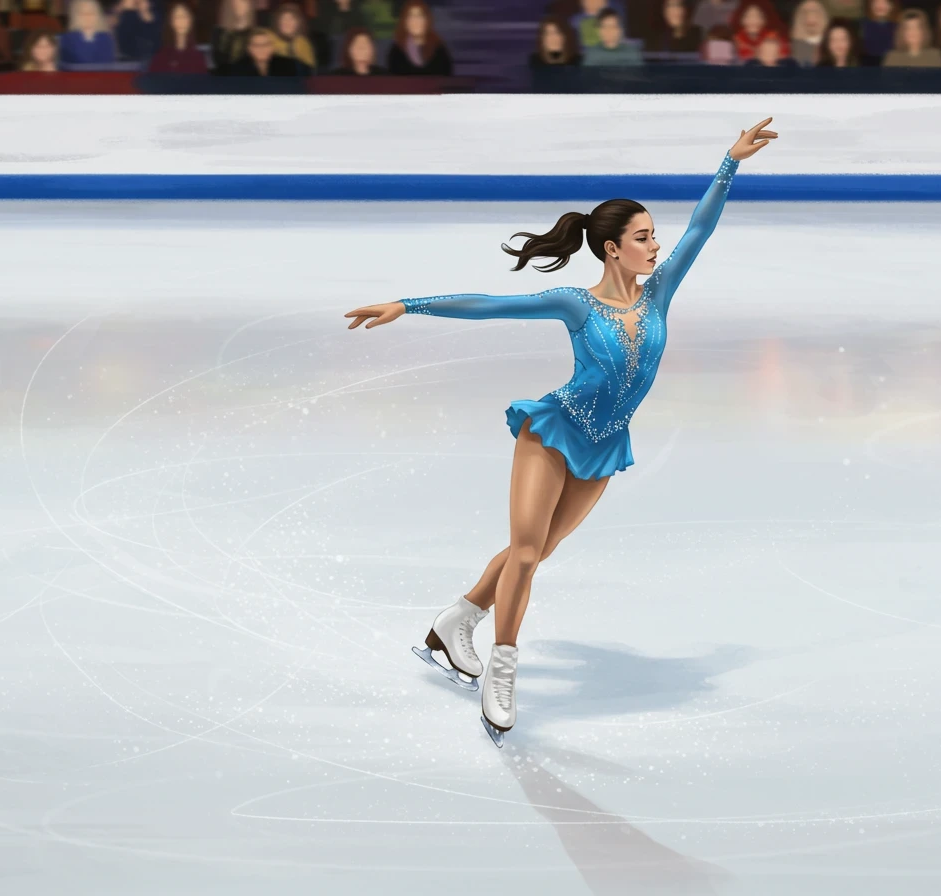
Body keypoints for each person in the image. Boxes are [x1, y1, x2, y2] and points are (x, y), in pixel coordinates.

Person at [343, 119, 778, 747]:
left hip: (604, 446)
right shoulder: (577, 303)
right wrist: (407, 305)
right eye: (643, 237)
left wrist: (729, 162)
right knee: (525, 553)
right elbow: (491, 305)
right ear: (612, 249)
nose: (656, 246)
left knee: (538, 549)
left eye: (654, 236)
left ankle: (457, 618)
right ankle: (502, 669)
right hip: (553, 432)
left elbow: (700, 229)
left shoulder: (658, 295)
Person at [386, 0, 452, 75]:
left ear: (427, 20)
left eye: (420, 16)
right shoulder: (396, 51)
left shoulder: (439, 49)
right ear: (405, 22)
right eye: (411, 16)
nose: (415, 20)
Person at [149, 2, 208, 72]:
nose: (181, 21)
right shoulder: (161, 56)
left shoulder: (199, 57)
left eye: (184, 16)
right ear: (171, 22)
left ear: (191, 20)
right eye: (176, 17)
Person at [60, 0, 118, 67]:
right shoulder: (67, 40)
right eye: (82, 13)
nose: (87, 16)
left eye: (92, 13)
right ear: (76, 16)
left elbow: (110, 66)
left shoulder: (106, 39)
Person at [230, 25, 300, 73]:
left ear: (272, 47)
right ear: (249, 48)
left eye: (265, 44)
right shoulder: (237, 69)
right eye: (256, 45)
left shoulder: (287, 65)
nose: (261, 48)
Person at [269, 2, 318, 68]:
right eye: (283, 19)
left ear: (298, 23)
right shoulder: (269, 39)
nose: (286, 22)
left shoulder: (303, 43)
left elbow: (310, 68)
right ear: (278, 22)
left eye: (291, 19)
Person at [789, 0, 829, 65]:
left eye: (815, 11)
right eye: (805, 12)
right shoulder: (793, 47)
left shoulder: (830, 44)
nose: (810, 16)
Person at [859, 0, 895, 65]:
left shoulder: (897, 27)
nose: (880, 6)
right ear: (871, 5)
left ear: (891, 6)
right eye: (876, 2)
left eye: (884, 2)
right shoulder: (862, 25)